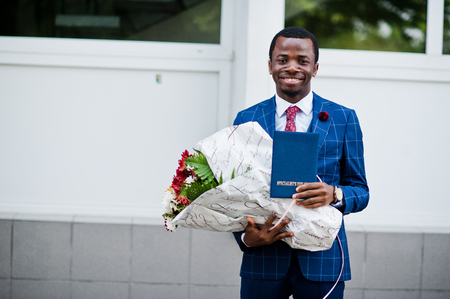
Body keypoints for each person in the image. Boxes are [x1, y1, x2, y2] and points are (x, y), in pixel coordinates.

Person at [232, 27, 369, 299]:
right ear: (270, 66)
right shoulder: (247, 118)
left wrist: (335, 194)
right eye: (282, 60)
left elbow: (361, 191)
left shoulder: (344, 119)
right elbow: (233, 191)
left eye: (302, 61)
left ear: (315, 68)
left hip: (323, 260)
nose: (291, 67)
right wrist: (247, 239)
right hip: (263, 258)